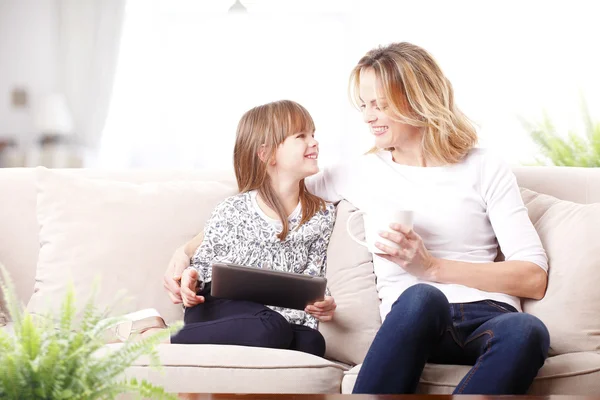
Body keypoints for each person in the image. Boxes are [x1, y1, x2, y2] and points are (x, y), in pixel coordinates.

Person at [165, 42, 550, 394]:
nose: (368, 117)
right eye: (363, 105)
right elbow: (268, 198)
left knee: (528, 329)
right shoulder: (359, 172)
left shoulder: (484, 167)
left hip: (489, 316)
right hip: (413, 318)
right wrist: (183, 254)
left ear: (418, 100)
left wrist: (432, 267)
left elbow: (532, 278)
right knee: (422, 298)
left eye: (379, 105)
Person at [166, 100, 337, 357]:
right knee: (271, 327)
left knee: (313, 343)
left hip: (275, 318)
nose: (314, 142)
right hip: (218, 308)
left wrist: (324, 303)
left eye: (313, 134)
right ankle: (157, 336)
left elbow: (315, 276)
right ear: (266, 154)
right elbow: (199, 270)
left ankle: (265, 331)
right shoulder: (232, 209)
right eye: (301, 136)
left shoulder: (322, 214)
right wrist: (190, 279)